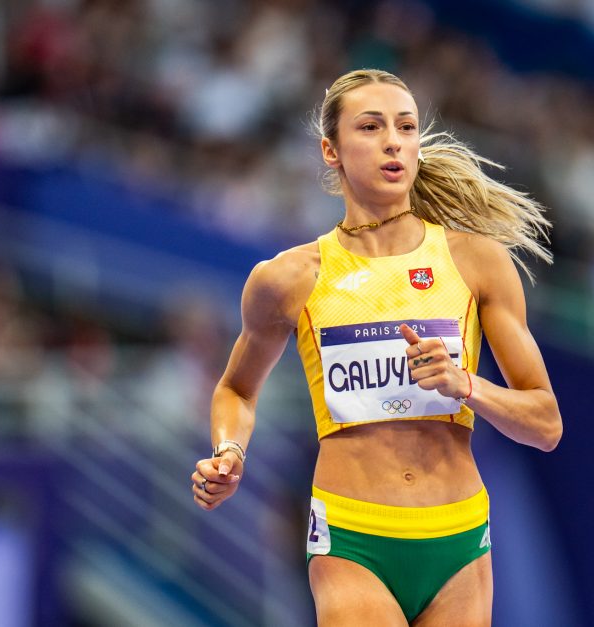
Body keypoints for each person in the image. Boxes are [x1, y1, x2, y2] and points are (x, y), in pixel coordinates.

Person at [189, 69, 563, 626]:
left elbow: (546, 424)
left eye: (406, 126)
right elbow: (236, 390)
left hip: (457, 536)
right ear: (331, 150)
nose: (393, 140)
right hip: (351, 537)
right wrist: (230, 452)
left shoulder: (476, 262)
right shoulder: (288, 278)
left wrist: (467, 385)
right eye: (370, 126)